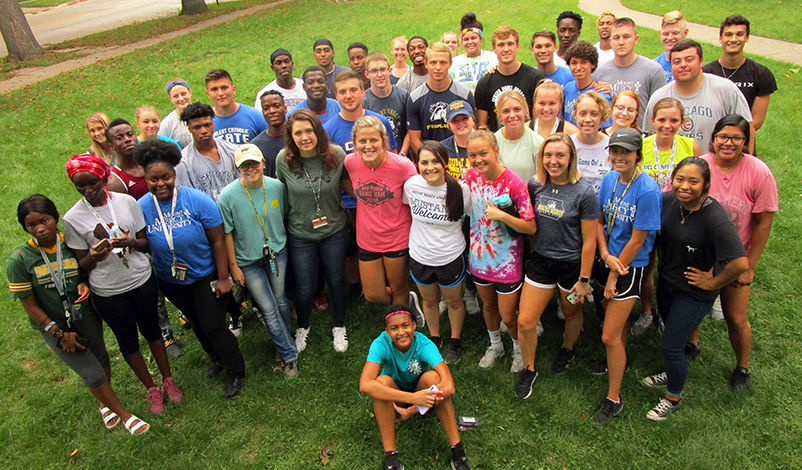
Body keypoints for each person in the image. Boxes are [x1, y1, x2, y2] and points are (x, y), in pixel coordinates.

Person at [8, 194, 149, 435]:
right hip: (53, 325)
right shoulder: (20, 260)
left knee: (102, 359)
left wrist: (83, 283)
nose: (40, 229)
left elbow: (82, 269)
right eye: (32, 225)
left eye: (45, 221)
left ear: (55, 217)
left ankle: (105, 403)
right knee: (92, 373)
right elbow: (30, 306)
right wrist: (59, 334)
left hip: (83, 313)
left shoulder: (70, 244)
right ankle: (125, 415)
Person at [63, 154, 183, 414]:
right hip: (108, 290)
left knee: (152, 332)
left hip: (140, 279)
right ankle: (151, 388)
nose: (88, 190)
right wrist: (92, 257)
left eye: (93, 183)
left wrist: (129, 243)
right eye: (80, 186)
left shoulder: (126, 202)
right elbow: (79, 265)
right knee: (127, 340)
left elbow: (145, 243)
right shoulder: (73, 218)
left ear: (103, 177)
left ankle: (168, 380)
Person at [134, 139, 246, 398]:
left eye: (166, 177)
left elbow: (218, 240)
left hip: (204, 275)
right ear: (145, 178)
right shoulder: (141, 207)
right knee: (196, 322)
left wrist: (223, 277)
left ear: (174, 174)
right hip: (171, 279)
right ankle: (215, 358)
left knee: (213, 325)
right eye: (153, 179)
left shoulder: (197, 201)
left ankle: (236, 371)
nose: (160, 184)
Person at [641, 157, 748, 421]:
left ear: (706, 186)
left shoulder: (714, 217)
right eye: (680, 179)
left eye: (693, 181)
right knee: (672, 336)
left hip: (695, 293)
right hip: (668, 282)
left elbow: (740, 262)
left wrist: (712, 282)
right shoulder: (667, 202)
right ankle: (672, 370)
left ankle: (673, 398)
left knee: (673, 345)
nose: (685, 186)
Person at [515, 134, 598, 399]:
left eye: (560, 155)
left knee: (570, 313)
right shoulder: (536, 184)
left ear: (571, 157)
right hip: (541, 260)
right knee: (525, 321)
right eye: (548, 155)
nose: (553, 161)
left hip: (572, 265)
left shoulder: (584, 191)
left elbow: (589, 241)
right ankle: (529, 368)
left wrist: (584, 279)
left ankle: (568, 348)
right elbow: (529, 224)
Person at [701, 114, 777, 393]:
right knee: (693, 308)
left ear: (746, 142)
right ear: (714, 137)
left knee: (735, 317)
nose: (728, 143)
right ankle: (691, 345)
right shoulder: (703, 165)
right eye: (723, 136)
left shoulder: (759, 172)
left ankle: (742, 367)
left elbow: (764, 221)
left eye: (736, 138)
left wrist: (749, 265)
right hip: (700, 255)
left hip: (735, 258)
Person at [591, 128, 661, 425]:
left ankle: (614, 398)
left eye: (625, 152)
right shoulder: (609, 179)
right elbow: (599, 220)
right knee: (613, 329)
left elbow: (637, 239)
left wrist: (613, 271)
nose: (618, 157)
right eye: (614, 151)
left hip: (630, 266)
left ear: (638, 155)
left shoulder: (647, 190)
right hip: (607, 257)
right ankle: (617, 358)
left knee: (608, 335)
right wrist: (605, 255)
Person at [218, 144, 298, 379]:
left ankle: (280, 342)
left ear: (263, 162)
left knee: (282, 300)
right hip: (248, 261)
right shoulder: (227, 196)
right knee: (268, 308)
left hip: (277, 254)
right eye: (244, 165)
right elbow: (227, 233)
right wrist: (233, 266)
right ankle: (289, 355)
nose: (251, 168)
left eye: (254, 163)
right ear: (237, 168)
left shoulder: (277, 187)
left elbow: (284, 215)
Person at [359, 305, 473, 470]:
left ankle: (458, 452)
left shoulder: (424, 343)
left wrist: (411, 409)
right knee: (381, 382)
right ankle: (391, 458)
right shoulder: (380, 343)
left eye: (405, 325)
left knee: (433, 377)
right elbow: (365, 384)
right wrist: (411, 399)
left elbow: (449, 387)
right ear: (387, 332)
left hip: (421, 392)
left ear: (414, 325)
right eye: (394, 328)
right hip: (397, 394)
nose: (401, 332)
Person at [276, 110, 350, 353]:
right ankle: (303, 327)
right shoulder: (283, 160)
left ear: (318, 131)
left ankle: (339, 326)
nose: (304, 137)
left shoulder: (336, 154)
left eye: (309, 131)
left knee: (337, 280)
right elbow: (280, 192)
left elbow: (348, 183)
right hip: (301, 233)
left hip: (334, 230)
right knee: (305, 286)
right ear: (291, 136)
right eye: (298, 133)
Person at [464, 130, 536, 373]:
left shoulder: (513, 182)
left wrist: (502, 216)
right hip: (479, 257)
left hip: (507, 261)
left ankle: (517, 348)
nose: (477, 159)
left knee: (508, 315)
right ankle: (496, 345)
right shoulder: (471, 176)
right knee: (488, 306)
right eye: (472, 155)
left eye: (483, 153)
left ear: (496, 151)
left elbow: (530, 225)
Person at [632, 97, 700, 337]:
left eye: (674, 120)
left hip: (677, 218)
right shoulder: (642, 144)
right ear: (652, 120)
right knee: (648, 268)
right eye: (661, 119)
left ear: (682, 121)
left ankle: (667, 312)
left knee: (672, 270)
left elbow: (698, 183)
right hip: (647, 217)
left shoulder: (689, 146)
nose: (667, 125)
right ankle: (647, 311)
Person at [344, 116, 422, 319]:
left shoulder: (402, 166)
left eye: (373, 140)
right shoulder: (351, 162)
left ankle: (402, 325)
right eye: (362, 141)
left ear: (383, 141)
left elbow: (417, 196)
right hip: (367, 238)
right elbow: (347, 185)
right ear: (355, 143)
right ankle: (407, 303)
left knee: (397, 287)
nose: (368, 146)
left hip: (397, 237)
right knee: (373, 294)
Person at [403, 141, 470, 363]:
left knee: (454, 301)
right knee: (429, 301)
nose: (430, 167)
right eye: (424, 162)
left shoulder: (460, 189)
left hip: (449, 256)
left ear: (445, 163)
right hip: (420, 256)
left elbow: (467, 216)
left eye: (435, 162)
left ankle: (455, 339)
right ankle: (434, 337)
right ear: (417, 164)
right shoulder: (411, 185)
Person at [644, 40, 753, 154]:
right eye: (677, 62)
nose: (683, 65)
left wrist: (747, 162)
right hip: (671, 168)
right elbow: (649, 137)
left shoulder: (725, 89)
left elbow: (747, 128)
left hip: (717, 165)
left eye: (689, 60)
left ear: (701, 61)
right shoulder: (659, 97)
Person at [440, 101, 482, 316]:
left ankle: (472, 290)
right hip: (454, 211)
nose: (460, 123)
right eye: (455, 120)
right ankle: (455, 291)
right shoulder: (444, 148)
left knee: (474, 253)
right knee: (454, 253)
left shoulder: (482, 143)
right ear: (449, 124)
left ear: (473, 119)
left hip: (480, 211)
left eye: (464, 118)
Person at [702, 15, 777, 133]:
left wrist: (732, 135)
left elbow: (756, 121)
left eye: (739, 34)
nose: (733, 39)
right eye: (728, 34)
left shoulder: (761, 74)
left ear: (747, 38)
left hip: (742, 137)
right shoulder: (705, 73)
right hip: (711, 136)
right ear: (720, 38)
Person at [594, 18, 666, 129]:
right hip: (611, 138)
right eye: (616, 38)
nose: (621, 42)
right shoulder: (599, 73)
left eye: (626, 37)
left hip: (642, 137)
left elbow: (662, 110)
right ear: (610, 41)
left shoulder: (653, 70)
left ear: (636, 39)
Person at [407, 42, 475, 152]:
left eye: (443, 62)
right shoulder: (415, 97)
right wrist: (431, 159)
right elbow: (414, 139)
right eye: (433, 62)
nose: (438, 67)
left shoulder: (464, 94)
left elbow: (473, 130)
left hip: (461, 158)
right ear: (426, 64)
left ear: (450, 63)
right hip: (430, 160)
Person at [474, 26, 544, 132]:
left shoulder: (534, 78)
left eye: (510, 44)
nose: (506, 49)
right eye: (501, 45)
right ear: (494, 49)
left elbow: (538, 122)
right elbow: (482, 126)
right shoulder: (485, 83)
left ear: (518, 46)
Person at [175, 102, 239, 202]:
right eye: (197, 127)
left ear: (213, 124)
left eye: (207, 125)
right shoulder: (183, 162)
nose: (204, 130)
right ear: (189, 129)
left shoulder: (232, 151)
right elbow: (186, 198)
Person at [362, 51, 410, 155]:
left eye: (383, 69)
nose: (380, 75)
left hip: (402, 156)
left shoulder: (403, 96)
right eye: (374, 71)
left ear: (390, 71)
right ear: (367, 74)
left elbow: (411, 129)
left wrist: (402, 154)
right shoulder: (364, 101)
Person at [204, 68, 267, 144]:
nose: (220, 93)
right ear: (208, 94)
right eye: (214, 89)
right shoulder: (204, 122)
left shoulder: (255, 117)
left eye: (224, 88)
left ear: (233, 89)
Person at [494, 90, 544, 183]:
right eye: (506, 111)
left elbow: (541, 180)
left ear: (525, 112)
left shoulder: (538, 142)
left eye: (517, 109)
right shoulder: (492, 142)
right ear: (500, 116)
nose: (512, 115)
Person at [562, 41, 612, 126]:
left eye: (583, 62)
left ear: (592, 64)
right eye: (574, 63)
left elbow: (605, 128)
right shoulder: (568, 88)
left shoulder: (602, 95)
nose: (578, 67)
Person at [570, 91, 611, 193]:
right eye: (583, 114)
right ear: (575, 115)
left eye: (594, 114)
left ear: (602, 116)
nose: (588, 119)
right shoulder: (568, 144)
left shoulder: (610, 146)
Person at [448, 12, 497, 91]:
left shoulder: (493, 57)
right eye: (466, 39)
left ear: (480, 39)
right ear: (462, 42)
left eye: (474, 38)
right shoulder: (454, 62)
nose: (470, 42)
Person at [104, 118, 148, 199]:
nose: (127, 139)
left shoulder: (152, 163)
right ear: (111, 146)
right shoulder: (115, 182)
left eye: (130, 134)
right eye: (119, 138)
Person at [249, 90, 287, 178]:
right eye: (266, 108)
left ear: (285, 109)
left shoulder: (297, 138)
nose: (272, 111)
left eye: (276, 106)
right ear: (262, 112)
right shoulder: (255, 146)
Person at [653, 11, 689, 84]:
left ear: (685, 33)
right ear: (660, 34)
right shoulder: (653, 65)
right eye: (665, 34)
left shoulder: (692, 66)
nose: (670, 37)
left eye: (675, 33)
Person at [159, 78, 194, 149]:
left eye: (183, 94)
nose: (181, 98)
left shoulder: (205, 114)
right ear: (170, 98)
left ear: (190, 92)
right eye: (175, 96)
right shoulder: (166, 125)